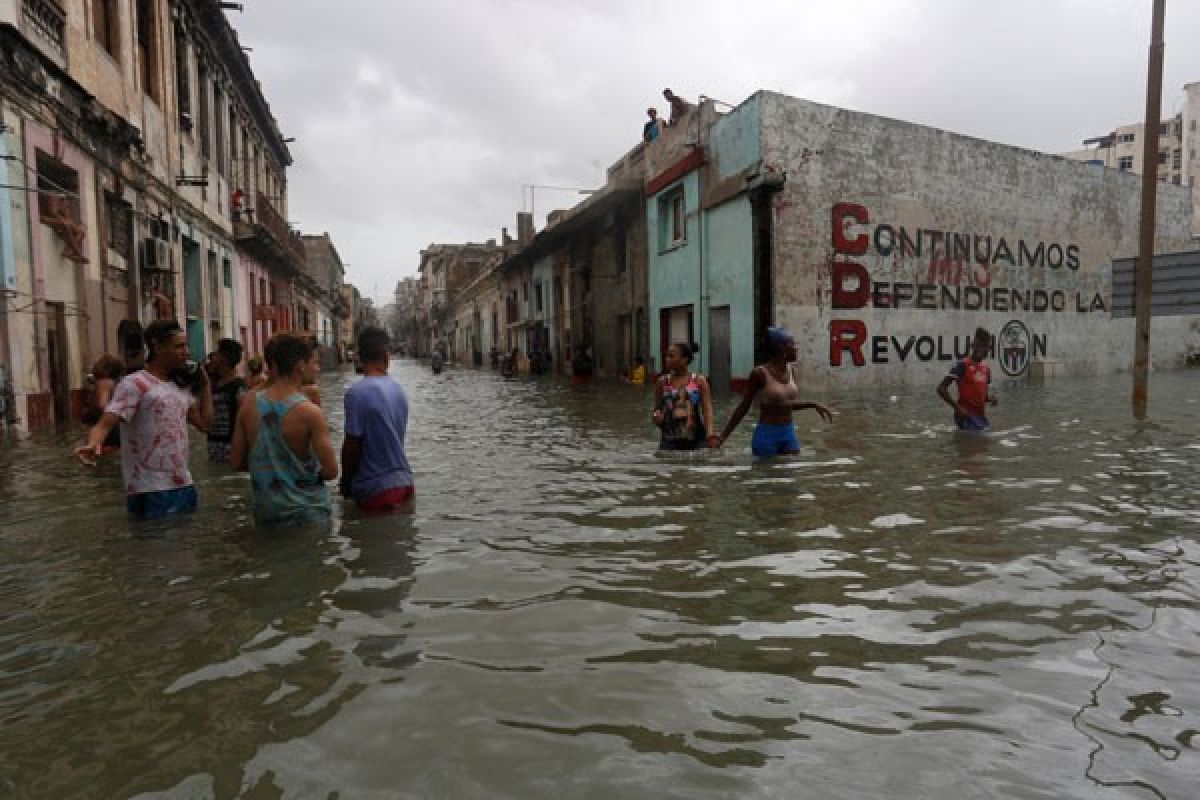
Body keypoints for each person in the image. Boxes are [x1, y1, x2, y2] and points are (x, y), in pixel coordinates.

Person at [75, 319, 214, 519]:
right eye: (179, 346)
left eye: (186, 345)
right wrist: (93, 443)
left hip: (184, 483)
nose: (187, 352)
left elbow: (205, 425)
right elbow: (106, 422)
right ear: (157, 347)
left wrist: (206, 386)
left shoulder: (180, 386)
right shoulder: (134, 384)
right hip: (149, 488)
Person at [231, 333, 337, 526]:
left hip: (267, 512)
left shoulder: (248, 403)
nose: (318, 368)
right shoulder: (310, 412)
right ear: (300, 365)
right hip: (308, 512)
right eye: (314, 362)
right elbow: (331, 471)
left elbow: (237, 462)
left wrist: (272, 470)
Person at [715, 326, 832, 457]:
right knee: (766, 474)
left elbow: (786, 404)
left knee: (791, 473)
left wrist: (813, 404)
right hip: (766, 435)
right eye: (792, 344)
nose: (796, 348)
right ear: (781, 348)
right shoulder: (759, 373)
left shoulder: (791, 370)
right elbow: (744, 407)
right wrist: (722, 437)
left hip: (788, 433)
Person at [340, 327, 415, 513]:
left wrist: (346, 481)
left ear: (359, 358)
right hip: (405, 484)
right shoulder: (398, 389)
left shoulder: (356, 393)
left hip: (376, 490)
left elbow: (352, 445)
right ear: (386, 358)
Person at [653, 343, 718, 451]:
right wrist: (656, 417)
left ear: (684, 359)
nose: (667, 359)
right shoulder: (662, 382)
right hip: (669, 439)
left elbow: (707, 409)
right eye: (666, 356)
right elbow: (656, 409)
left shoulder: (699, 381)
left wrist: (710, 433)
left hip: (696, 438)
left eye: (671, 356)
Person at [938, 326, 997, 432]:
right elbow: (941, 388)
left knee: (984, 444)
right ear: (972, 346)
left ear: (988, 349)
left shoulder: (986, 369)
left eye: (984, 347)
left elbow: (980, 396)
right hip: (965, 416)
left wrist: (990, 398)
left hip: (979, 416)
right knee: (978, 441)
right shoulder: (962, 365)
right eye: (978, 346)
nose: (981, 350)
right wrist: (958, 408)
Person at [206, 338, 247, 462]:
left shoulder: (239, 387)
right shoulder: (211, 384)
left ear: (225, 358)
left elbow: (243, 419)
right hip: (213, 444)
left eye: (217, 353)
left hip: (231, 446)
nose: (213, 357)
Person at [82, 354, 124, 454]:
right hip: (115, 430)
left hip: (105, 432)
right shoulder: (116, 383)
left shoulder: (104, 383)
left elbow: (102, 405)